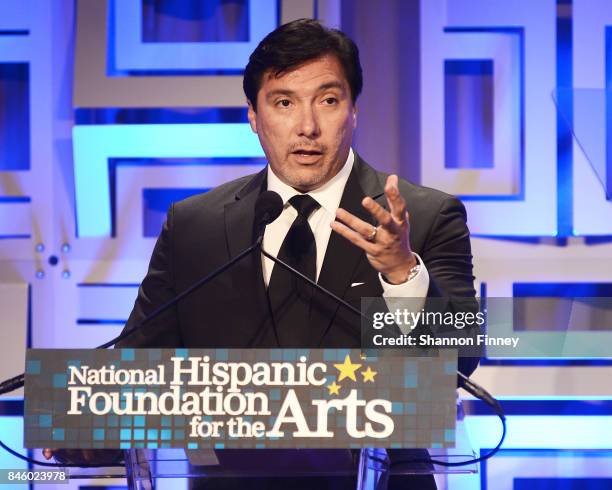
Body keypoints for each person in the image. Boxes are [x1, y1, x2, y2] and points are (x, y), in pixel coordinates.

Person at [49, 19, 478, 489]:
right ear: (253, 116)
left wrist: (400, 273)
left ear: (354, 110)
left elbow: (459, 360)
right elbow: (140, 367)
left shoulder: (424, 215)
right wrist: (82, 419)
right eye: (284, 103)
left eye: (329, 101)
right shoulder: (196, 227)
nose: (308, 126)